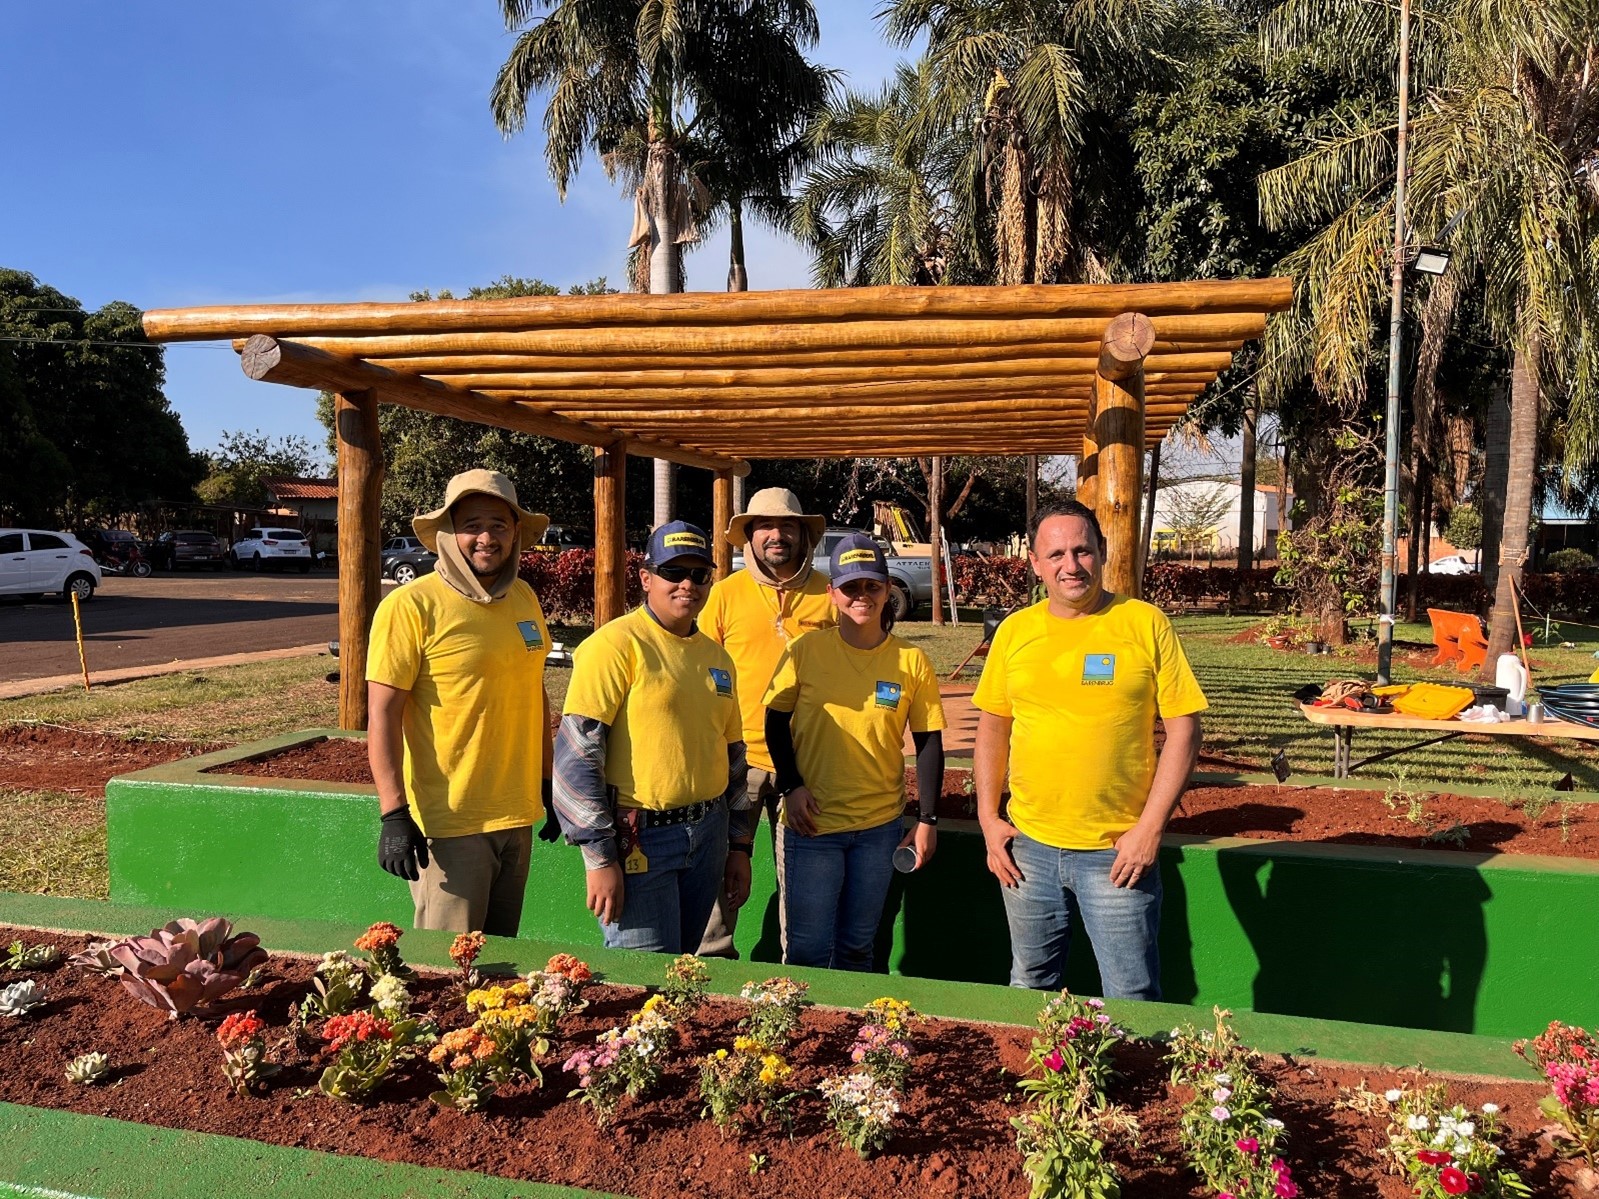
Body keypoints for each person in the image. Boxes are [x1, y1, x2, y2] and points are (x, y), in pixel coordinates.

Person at [973, 500, 1206, 998]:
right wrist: (988, 820)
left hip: (1117, 852)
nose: (1071, 565)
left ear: (1102, 551)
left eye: (1082, 550)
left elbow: (1184, 731)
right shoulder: (1015, 632)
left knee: (1131, 994)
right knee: (1029, 984)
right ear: (1035, 563)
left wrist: (1150, 829)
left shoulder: (1144, 623)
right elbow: (993, 728)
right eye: (1055, 554)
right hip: (1028, 849)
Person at [366, 469, 554, 936]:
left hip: (517, 813)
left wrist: (549, 781)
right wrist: (393, 813)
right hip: (450, 823)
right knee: (454, 966)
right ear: (448, 533)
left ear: (515, 533)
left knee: (502, 963)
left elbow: (534, 691)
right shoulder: (411, 606)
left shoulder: (524, 598)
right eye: (472, 525)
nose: (486, 538)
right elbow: (383, 714)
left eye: (498, 525)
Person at [553, 520, 752, 955]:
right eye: (673, 572)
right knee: (644, 977)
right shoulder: (614, 645)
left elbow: (734, 756)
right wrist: (600, 857)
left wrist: (739, 845)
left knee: (682, 969)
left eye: (699, 574)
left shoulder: (718, 659)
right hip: (640, 840)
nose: (687, 584)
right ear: (646, 578)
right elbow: (577, 757)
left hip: (708, 834)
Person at [764, 533, 945, 971]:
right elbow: (775, 722)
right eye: (850, 586)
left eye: (871, 585)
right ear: (832, 593)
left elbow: (928, 742)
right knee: (807, 951)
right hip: (813, 826)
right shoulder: (804, 650)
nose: (861, 595)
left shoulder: (911, 660)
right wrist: (791, 786)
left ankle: (854, 1020)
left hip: (878, 829)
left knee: (857, 948)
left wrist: (927, 820)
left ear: (887, 589)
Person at [696, 487, 836, 958]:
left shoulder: (830, 595)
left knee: (800, 878)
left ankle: (795, 972)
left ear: (803, 534)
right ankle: (710, 966)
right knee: (720, 872)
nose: (777, 535)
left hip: (806, 765)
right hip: (736, 761)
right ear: (749, 536)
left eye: (787, 526)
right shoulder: (723, 596)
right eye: (765, 526)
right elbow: (698, 672)